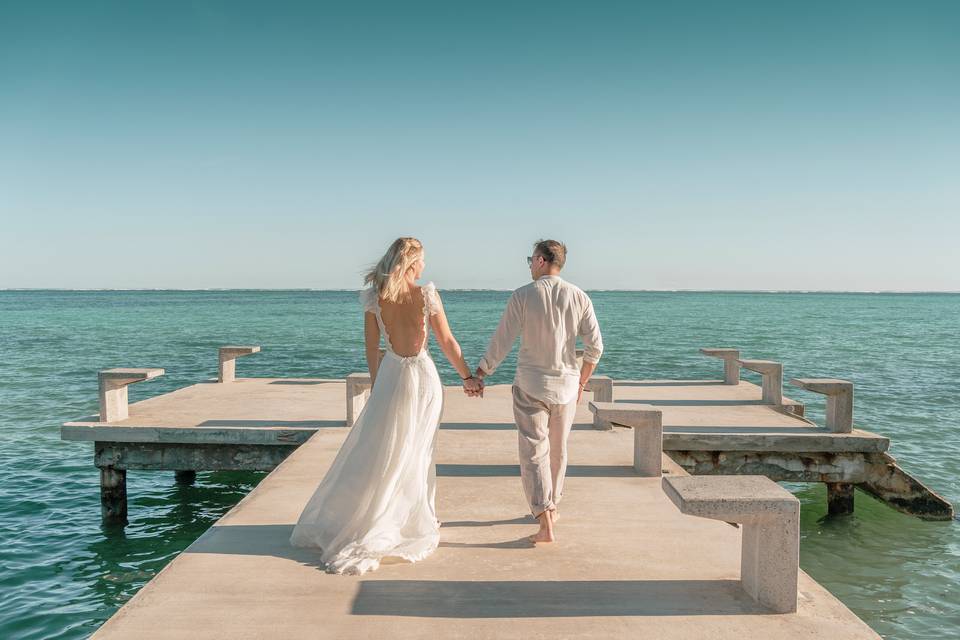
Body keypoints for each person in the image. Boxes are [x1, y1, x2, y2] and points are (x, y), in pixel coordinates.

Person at [290, 237, 483, 575]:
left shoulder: (375, 299)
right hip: (423, 379)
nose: (424, 267)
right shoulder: (426, 295)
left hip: (392, 375)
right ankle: (415, 517)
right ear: (412, 263)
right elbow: (447, 342)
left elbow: (371, 350)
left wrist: (380, 385)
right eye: (422, 261)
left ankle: (388, 514)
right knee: (419, 450)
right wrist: (468, 377)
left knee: (384, 449)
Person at [475, 239, 603, 543]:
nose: (530, 264)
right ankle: (553, 506)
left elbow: (502, 339)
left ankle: (545, 518)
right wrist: (582, 382)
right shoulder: (580, 296)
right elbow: (595, 347)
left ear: (542, 261)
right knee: (558, 449)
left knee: (534, 451)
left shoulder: (523, 295)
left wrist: (481, 372)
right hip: (568, 386)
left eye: (531, 259)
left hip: (531, 384)